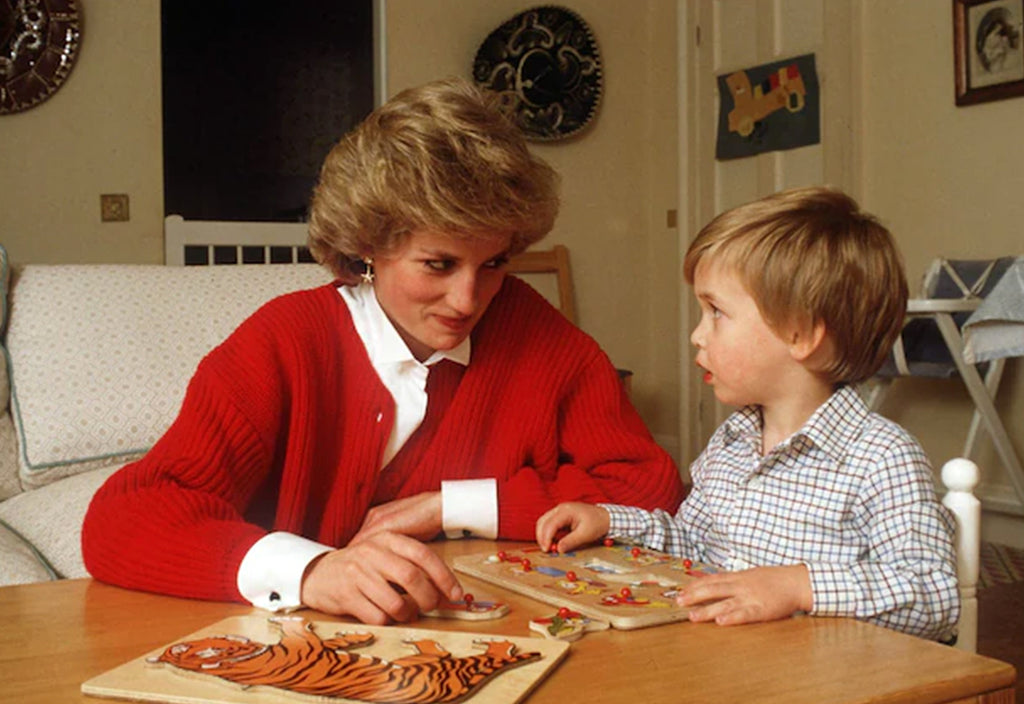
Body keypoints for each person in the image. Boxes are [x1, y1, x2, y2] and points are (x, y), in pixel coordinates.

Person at [82, 77, 684, 625]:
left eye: (494, 262)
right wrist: (313, 571)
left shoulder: (535, 332)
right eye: (438, 264)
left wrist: (448, 506)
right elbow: (124, 520)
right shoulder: (284, 342)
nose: (468, 297)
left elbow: (649, 488)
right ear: (369, 245)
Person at [536, 187, 960, 641]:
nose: (698, 335)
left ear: (799, 333)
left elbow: (934, 595)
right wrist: (612, 520)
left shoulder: (880, 457)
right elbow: (694, 547)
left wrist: (799, 586)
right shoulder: (730, 443)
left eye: (716, 312)